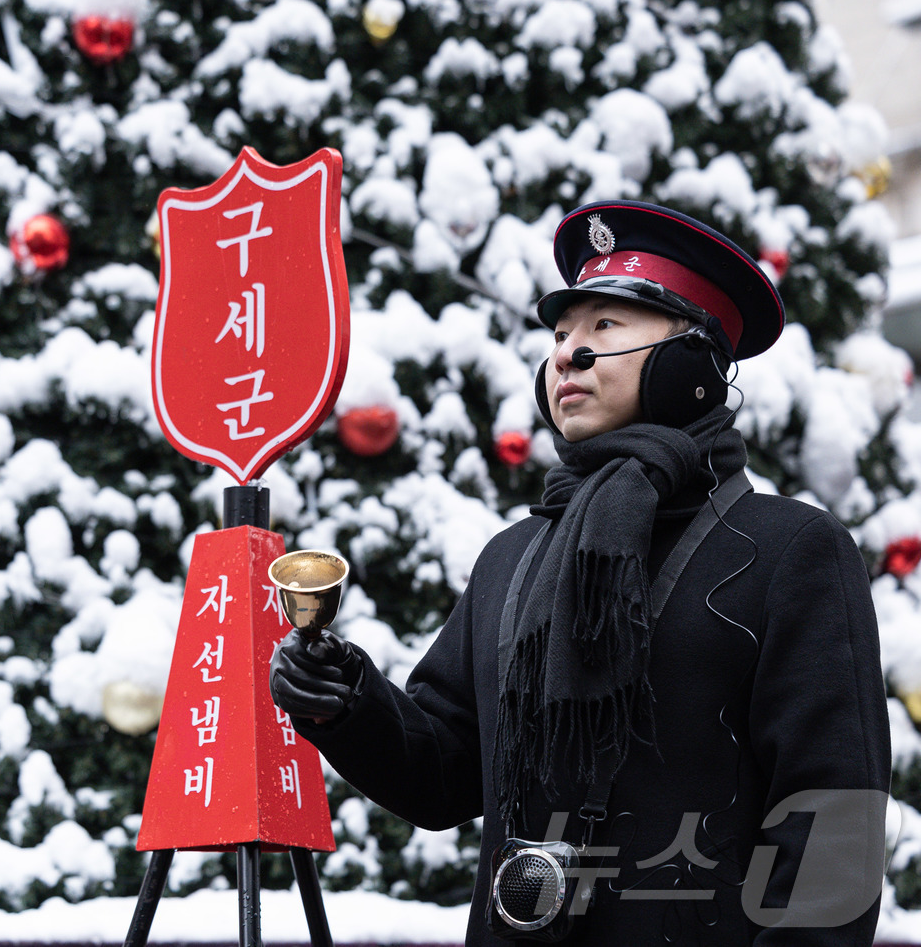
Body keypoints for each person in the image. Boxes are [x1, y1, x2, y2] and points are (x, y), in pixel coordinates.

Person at [271, 200, 891, 945]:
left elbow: (832, 836)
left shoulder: (790, 549)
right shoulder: (513, 555)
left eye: (605, 327)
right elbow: (443, 775)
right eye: (561, 332)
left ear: (691, 361)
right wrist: (347, 701)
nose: (566, 352)